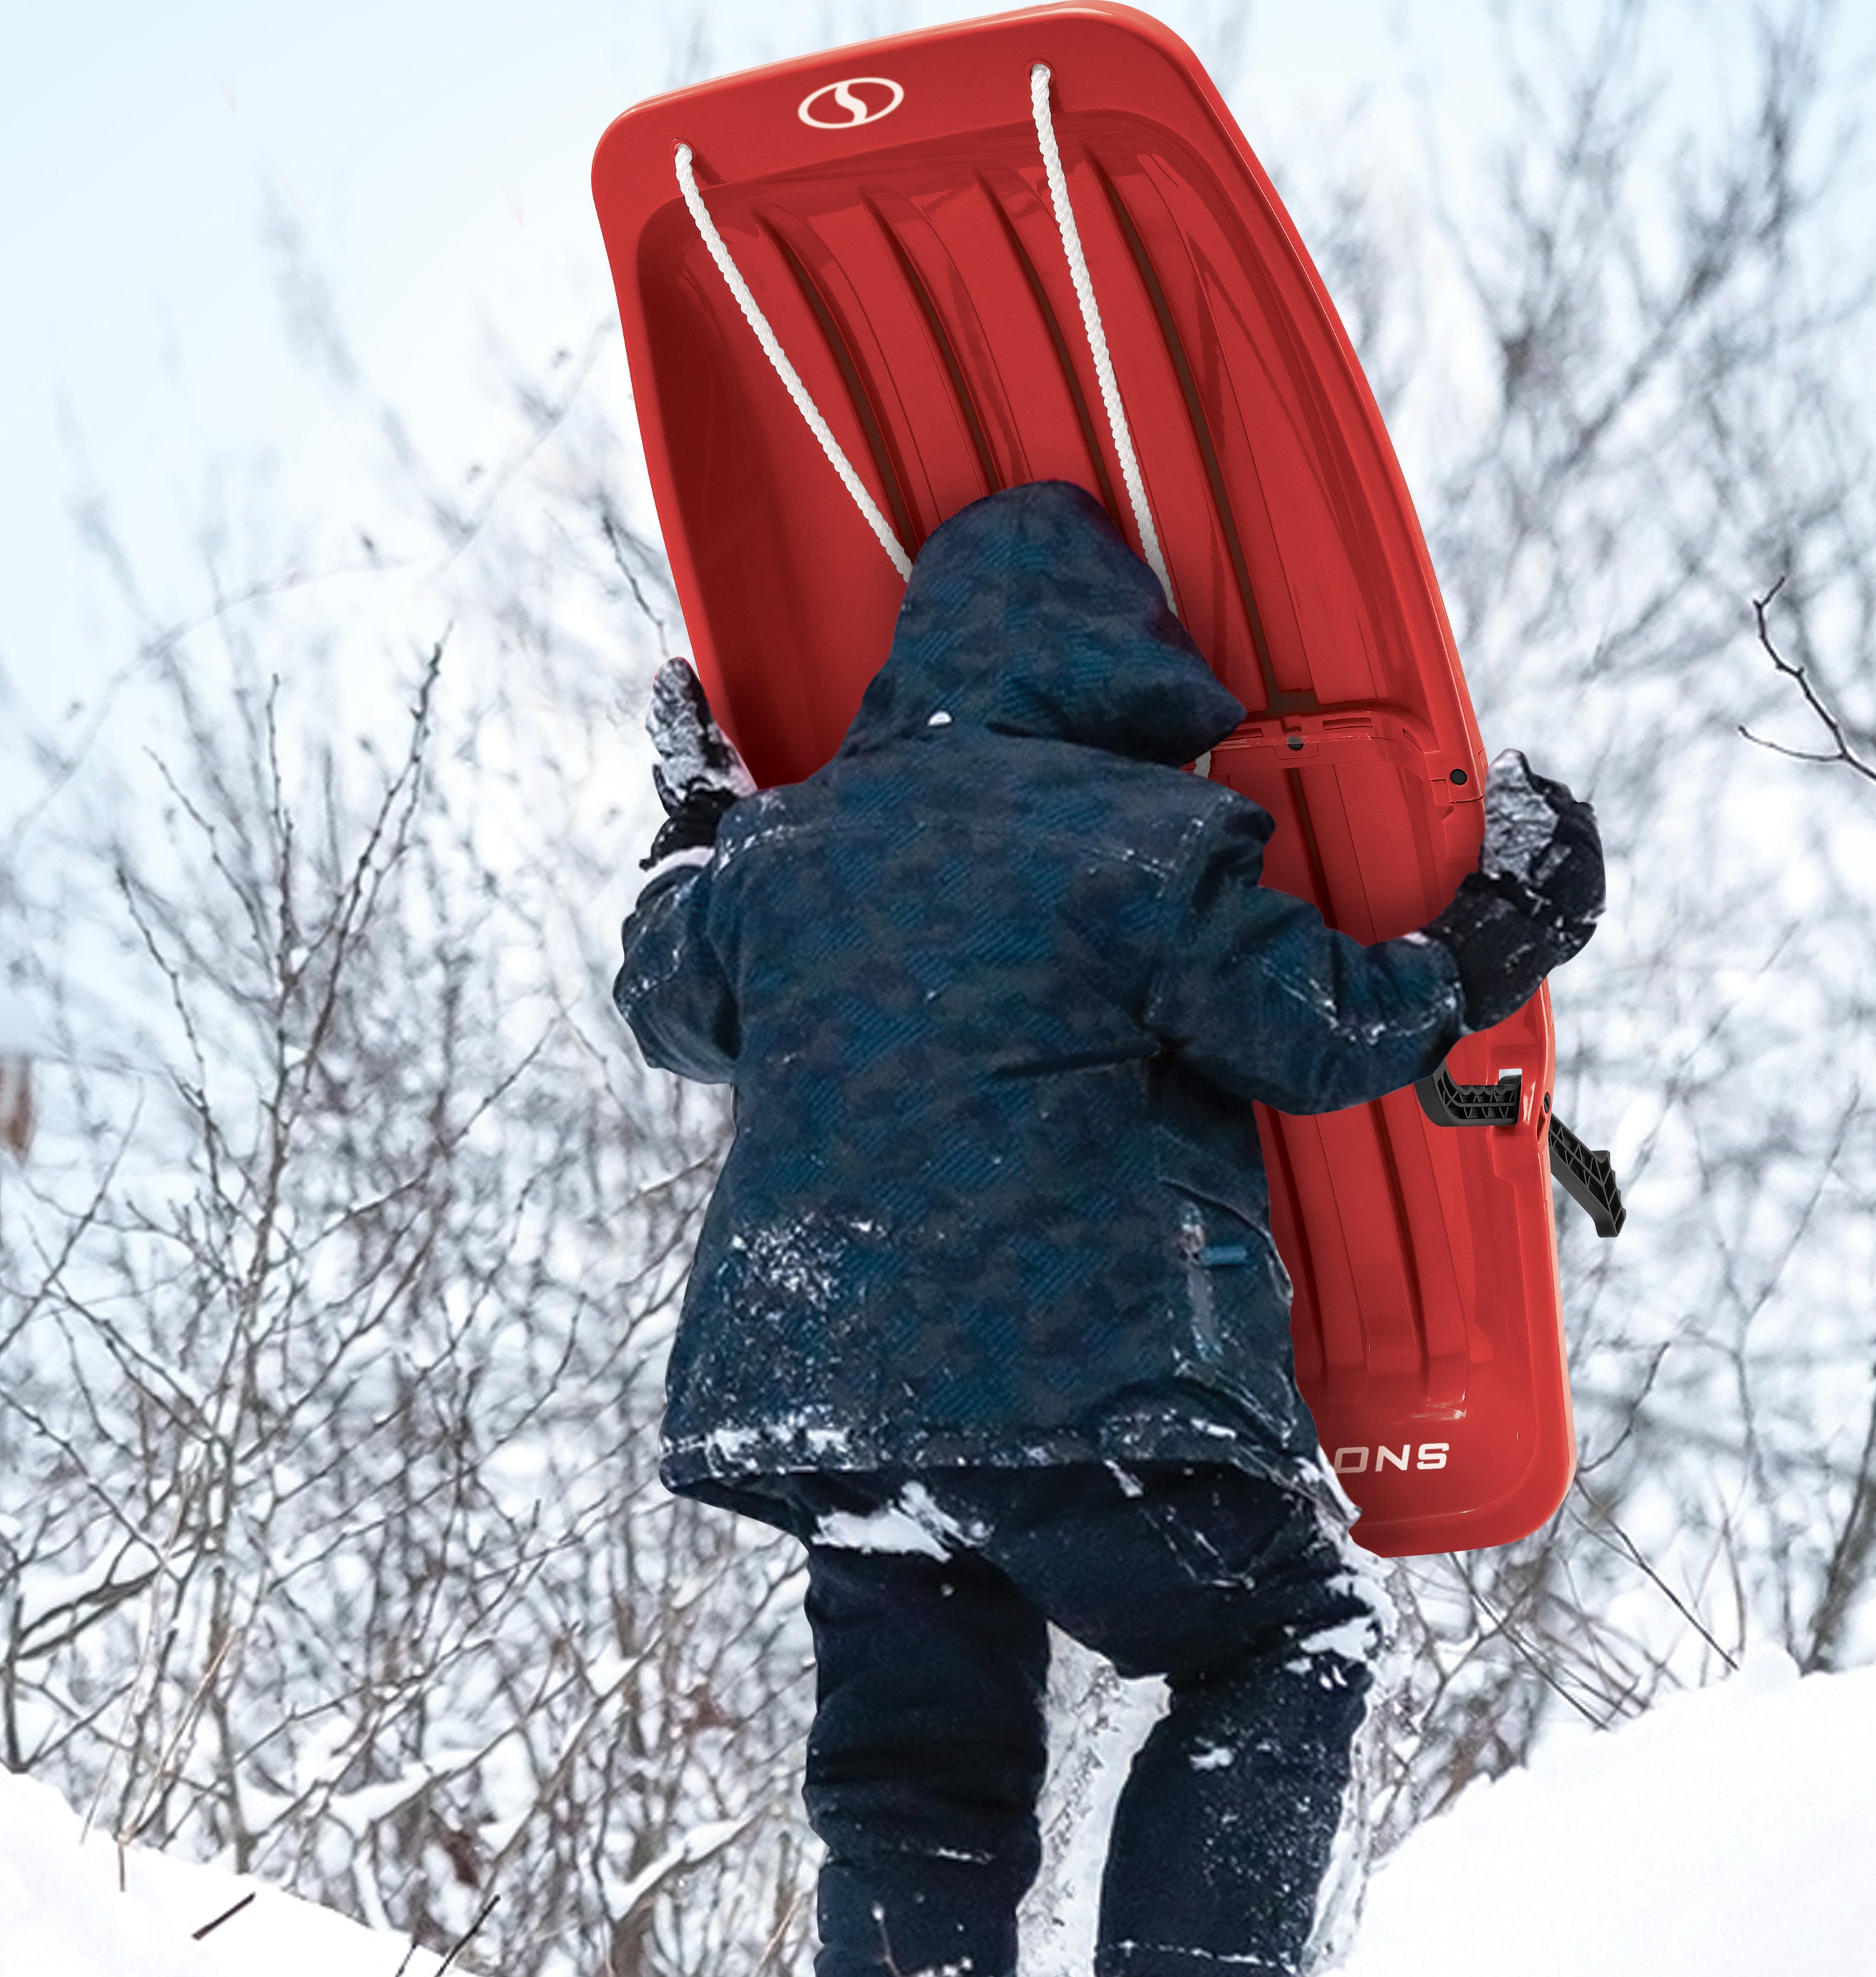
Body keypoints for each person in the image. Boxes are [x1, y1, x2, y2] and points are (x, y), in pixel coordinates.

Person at [613, 479, 1601, 1977]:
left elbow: (664, 1005)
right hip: (1083, 1387)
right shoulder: (1146, 839)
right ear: (1126, 667)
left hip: (826, 1402)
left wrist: (696, 831)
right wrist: (1489, 941)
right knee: (1281, 1646)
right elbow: (1315, 1032)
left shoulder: (777, 854)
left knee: (912, 1793)